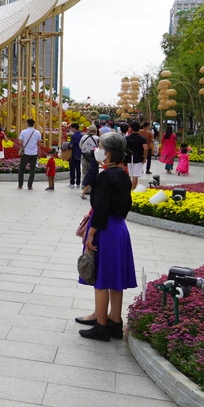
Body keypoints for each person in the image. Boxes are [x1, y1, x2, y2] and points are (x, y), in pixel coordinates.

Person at [76, 132, 137, 341]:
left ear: (109, 153)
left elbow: (101, 208)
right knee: (115, 281)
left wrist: (91, 234)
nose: (98, 150)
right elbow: (126, 204)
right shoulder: (123, 174)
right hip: (119, 228)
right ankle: (115, 323)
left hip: (105, 230)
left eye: (101, 146)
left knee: (101, 280)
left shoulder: (105, 176)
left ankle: (101, 326)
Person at [17, 118, 41, 190]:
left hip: (25, 153)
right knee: (32, 170)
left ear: (27, 124)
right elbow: (39, 143)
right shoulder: (37, 132)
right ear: (33, 124)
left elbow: (20, 142)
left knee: (22, 168)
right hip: (34, 153)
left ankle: (20, 185)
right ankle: (30, 186)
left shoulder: (23, 132)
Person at [124, 123, 148, 190]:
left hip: (128, 158)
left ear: (131, 129)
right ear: (139, 129)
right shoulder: (142, 139)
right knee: (135, 176)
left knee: (128, 175)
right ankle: (132, 190)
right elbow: (146, 149)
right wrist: (145, 158)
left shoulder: (126, 138)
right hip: (138, 158)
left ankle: (127, 189)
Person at [79, 125, 100, 200]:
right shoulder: (97, 138)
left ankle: (84, 187)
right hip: (93, 158)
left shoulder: (83, 137)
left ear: (89, 130)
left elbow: (80, 146)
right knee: (93, 173)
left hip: (84, 156)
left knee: (85, 172)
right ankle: (91, 188)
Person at [68, 123, 83, 188]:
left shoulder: (74, 136)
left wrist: (68, 145)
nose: (71, 129)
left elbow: (71, 145)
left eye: (71, 128)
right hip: (79, 153)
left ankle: (72, 182)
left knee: (72, 169)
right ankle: (78, 182)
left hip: (73, 154)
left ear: (74, 128)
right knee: (78, 169)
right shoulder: (81, 135)